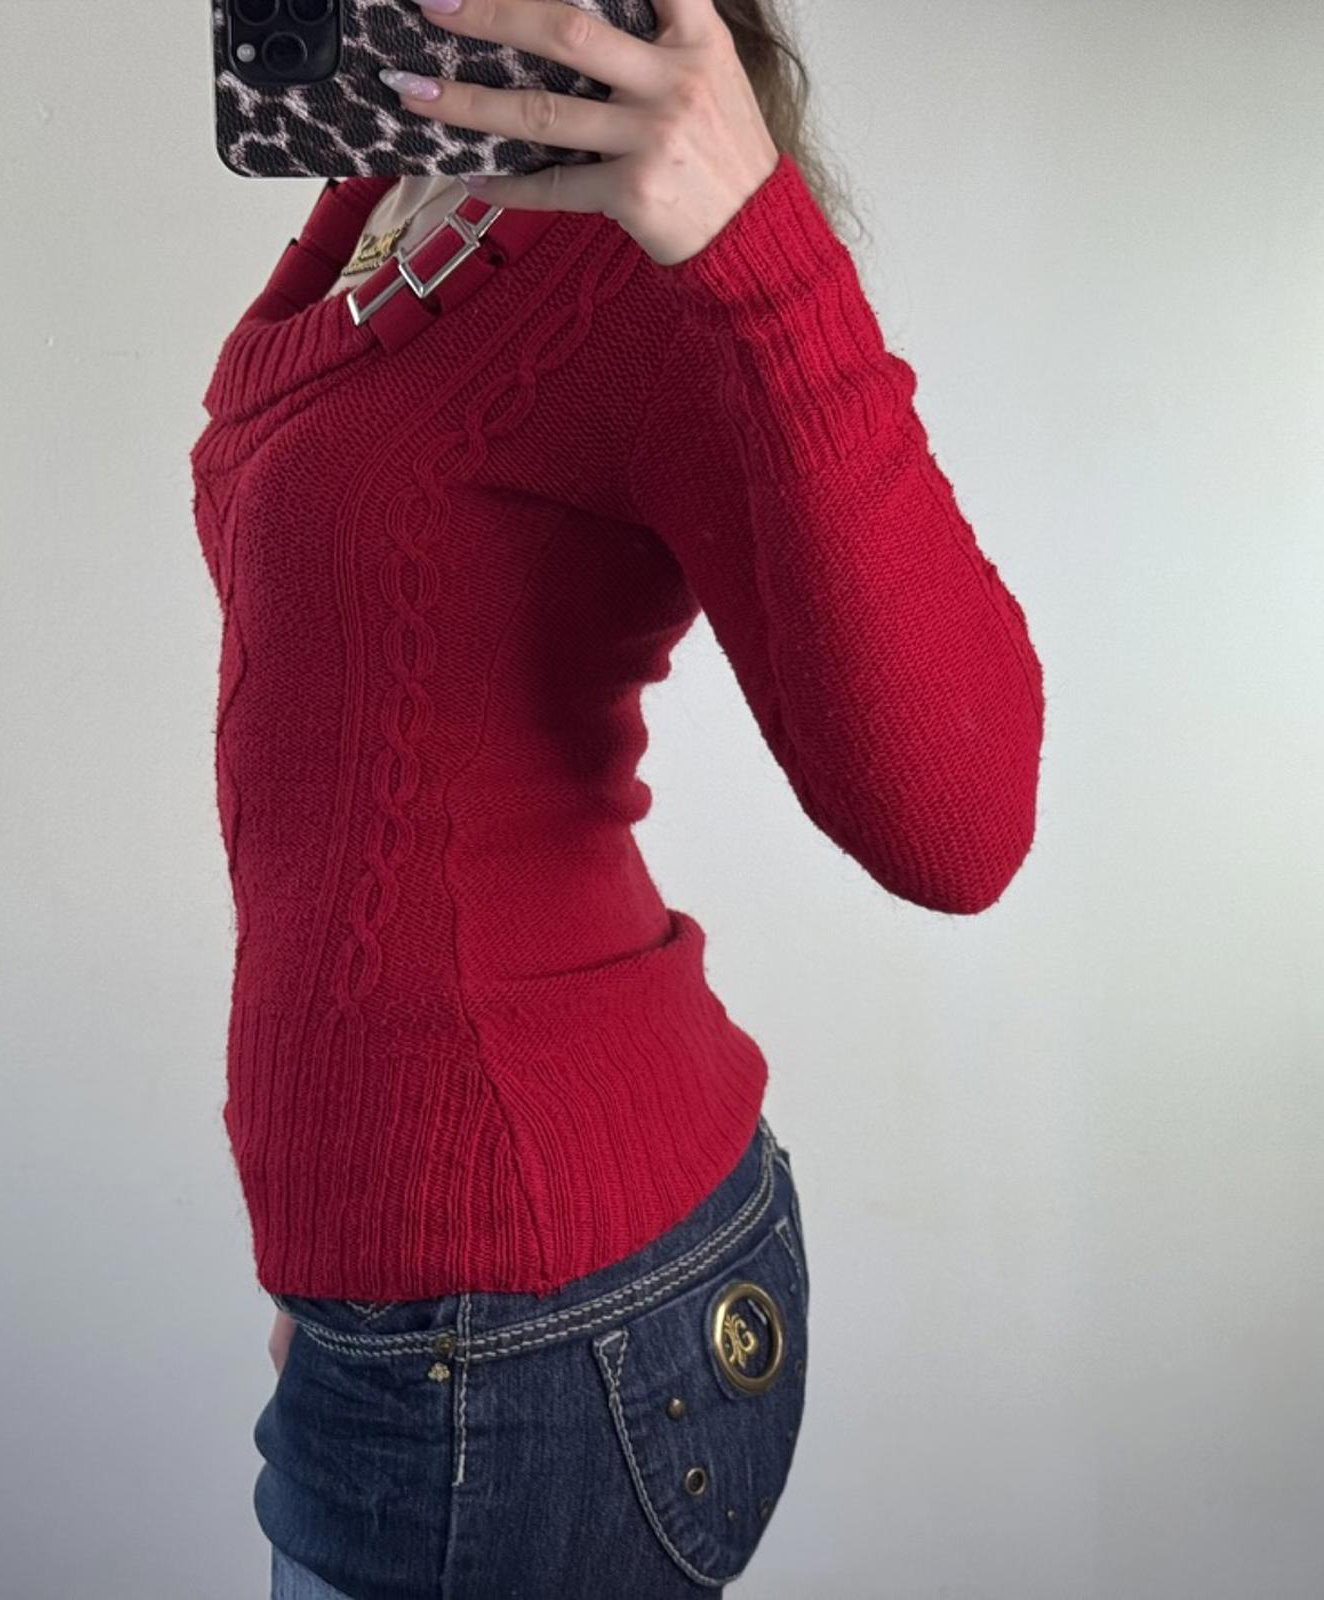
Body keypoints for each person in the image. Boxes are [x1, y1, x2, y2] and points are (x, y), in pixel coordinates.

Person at [189, 0, 1045, 1592]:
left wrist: (758, 248)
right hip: (422, 1311)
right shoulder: (416, 171)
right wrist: (334, 1262)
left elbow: (964, 819)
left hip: (543, 1337)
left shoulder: (635, 260)